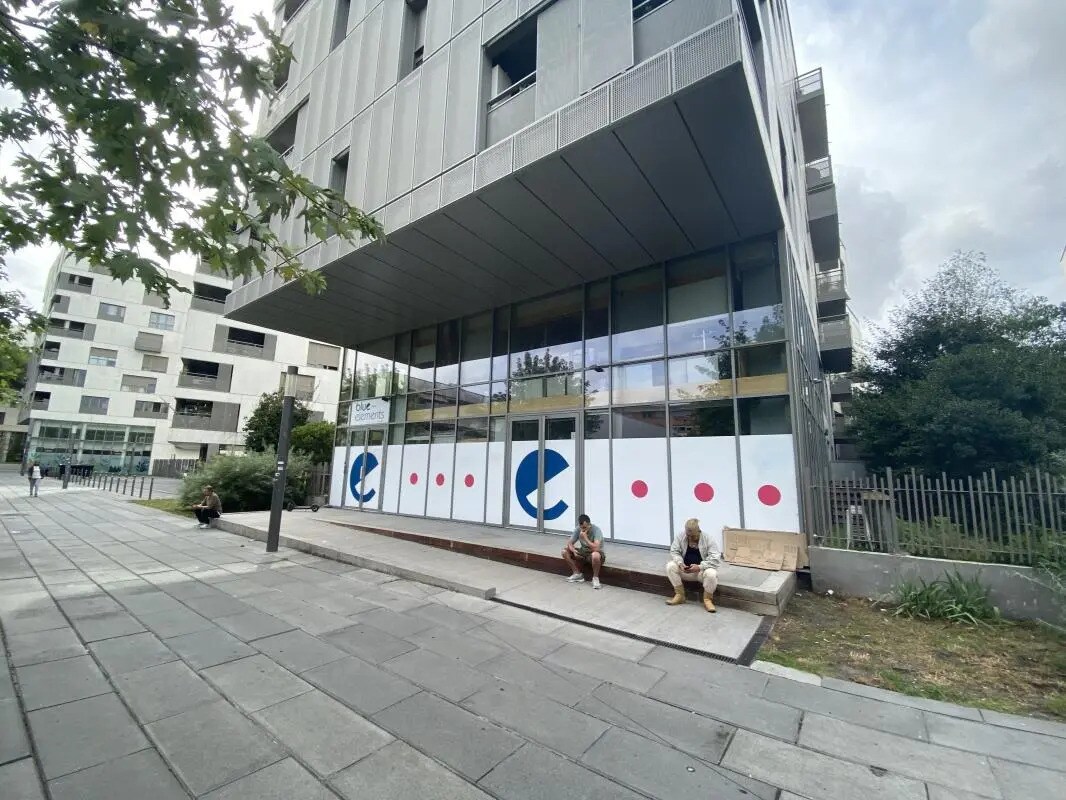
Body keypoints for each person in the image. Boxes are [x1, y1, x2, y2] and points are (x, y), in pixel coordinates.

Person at [665, 518, 720, 612]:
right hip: (684, 570)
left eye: (693, 536)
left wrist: (699, 567)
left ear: (698, 530)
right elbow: (674, 551)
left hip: (701, 572)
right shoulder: (680, 536)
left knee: (712, 573)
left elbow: (715, 558)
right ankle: (680, 595)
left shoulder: (708, 538)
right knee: (670, 566)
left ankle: (707, 599)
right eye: (688, 535)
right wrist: (680, 563)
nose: (690, 537)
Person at [562, 514, 605, 589]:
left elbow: (596, 548)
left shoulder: (596, 530)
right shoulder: (578, 529)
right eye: (581, 527)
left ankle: (595, 578)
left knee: (595, 555)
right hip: (583, 552)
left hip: (595, 553)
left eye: (585, 527)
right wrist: (574, 551)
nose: (583, 530)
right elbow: (569, 543)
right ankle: (577, 574)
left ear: (589, 525)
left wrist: (585, 538)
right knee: (564, 551)